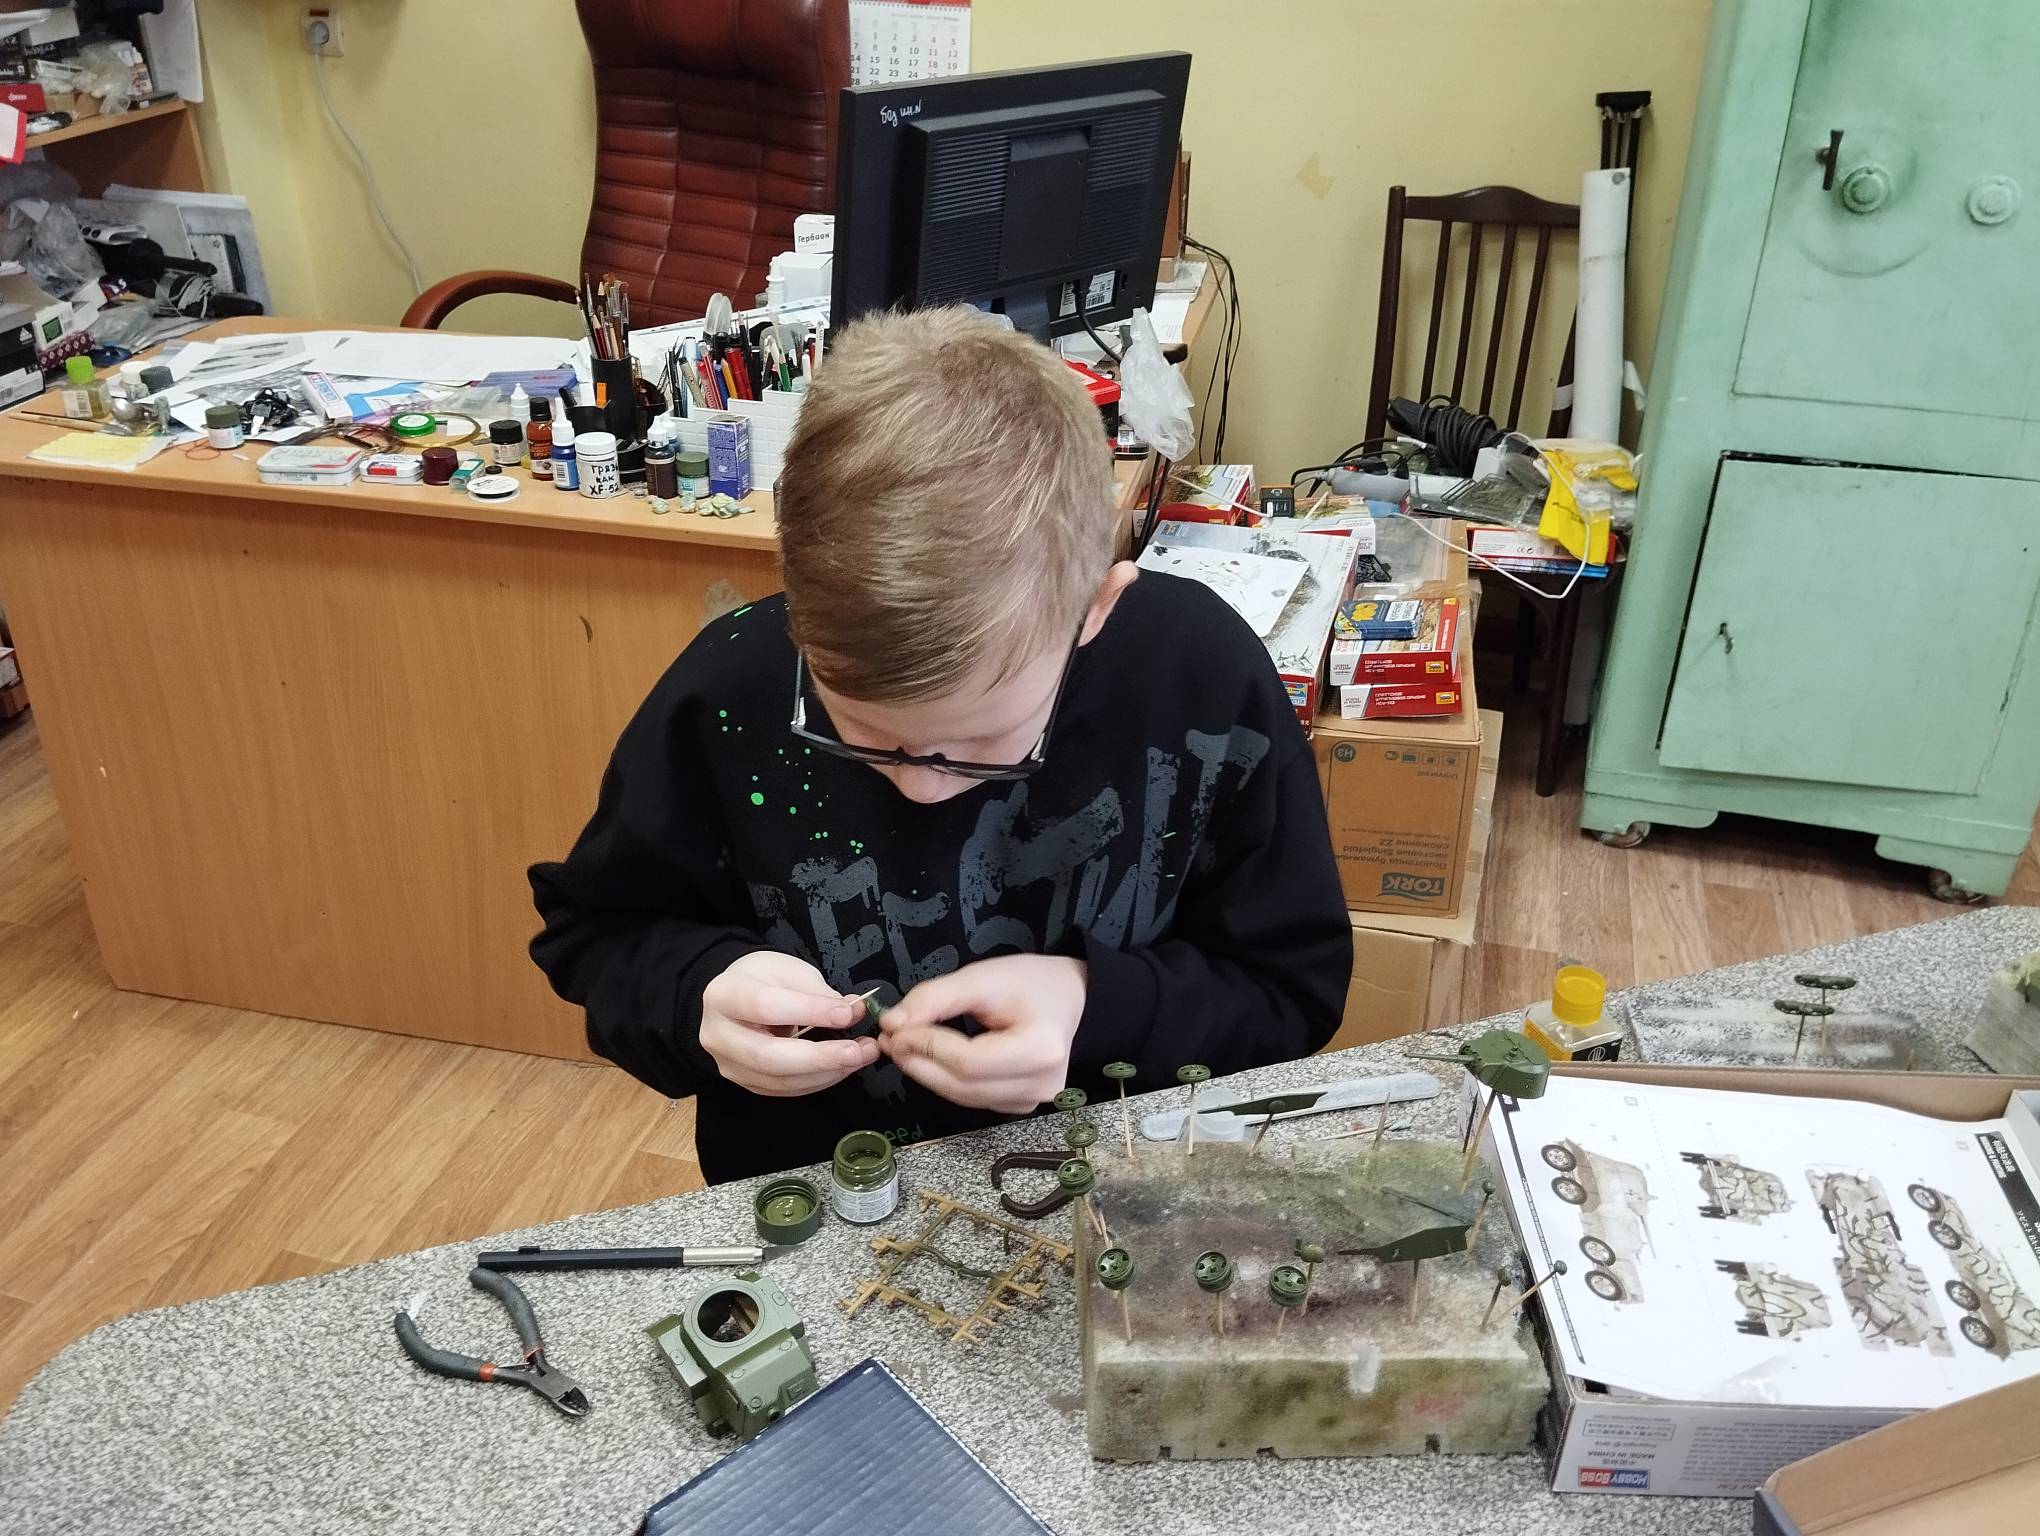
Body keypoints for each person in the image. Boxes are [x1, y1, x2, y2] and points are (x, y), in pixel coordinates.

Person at [529, 306, 1351, 1182]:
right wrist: (695, 994)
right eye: (863, 738)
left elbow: (1292, 988)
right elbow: (596, 937)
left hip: (1120, 1182)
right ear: (800, 617)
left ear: (1097, 607)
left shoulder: (1202, 680)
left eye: (986, 743)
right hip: (811, 1193)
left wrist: (1094, 1007)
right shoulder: (726, 691)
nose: (923, 790)